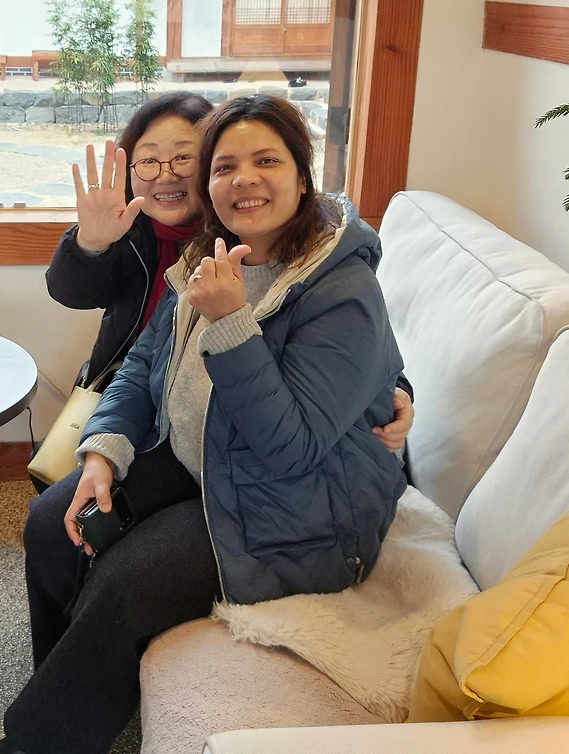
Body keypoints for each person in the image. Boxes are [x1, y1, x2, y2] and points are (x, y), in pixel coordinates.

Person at [0, 96, 410, 754]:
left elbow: (290, 450)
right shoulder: (209, 253)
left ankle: (38, 752)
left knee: (126, 581)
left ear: (302, 177)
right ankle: (65, 691)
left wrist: (232, 322)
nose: (244, 179)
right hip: (198, 452)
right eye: (225, 166)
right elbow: (142, 361)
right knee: (54, 521)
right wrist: (102, 453)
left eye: (267, 161)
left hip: (299, 504)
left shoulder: (339, 288)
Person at [44, 93, 413, 472]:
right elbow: (85, 303)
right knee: (58, 484)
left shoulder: (256, 235)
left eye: (183, 157)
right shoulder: (130, 229)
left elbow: (347, 334)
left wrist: (389, 389)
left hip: (230, 427)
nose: (166, 175)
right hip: (139, 395)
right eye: (150, 160)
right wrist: (92, 242)